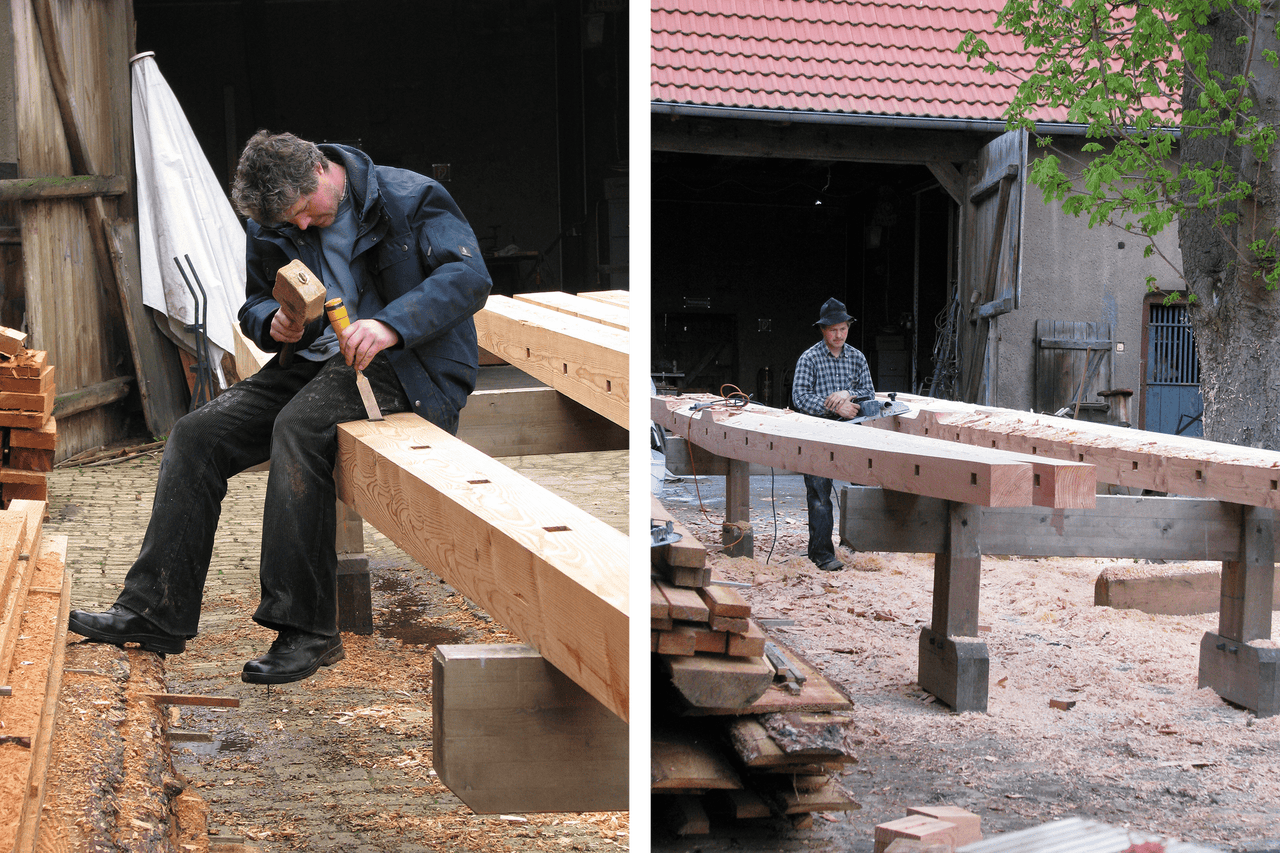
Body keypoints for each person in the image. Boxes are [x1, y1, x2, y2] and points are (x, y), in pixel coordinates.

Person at [67, 130, 493, 684]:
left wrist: (390, 325)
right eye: (285, 220)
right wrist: (273, 321)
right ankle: (154, 610)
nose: (297, 227)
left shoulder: (410, 197)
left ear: (321, 170)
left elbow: (468, 278)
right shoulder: (273, 220)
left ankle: (308, 630)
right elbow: (254, 302)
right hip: (314, 362)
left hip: (411, 367)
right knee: (196, 435)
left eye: (302, 212)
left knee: (298, 429)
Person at [790, 297, 875, 571]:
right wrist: (836, 406)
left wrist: (849, 394)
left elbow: (870, 394)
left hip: (853, 434)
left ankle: (858, 547)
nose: (838, 335)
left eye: (843, 329)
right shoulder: (810, 358)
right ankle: (822, 555)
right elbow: (800, 398)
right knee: (819, 495)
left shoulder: (857, 357)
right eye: (832, 330)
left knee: (863, 487)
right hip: (818, 434)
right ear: (822, 330)